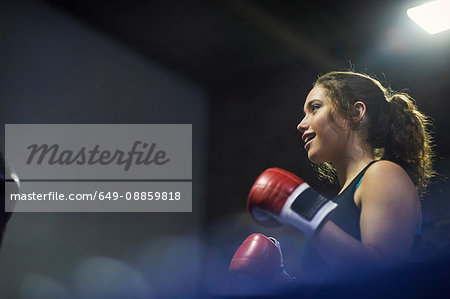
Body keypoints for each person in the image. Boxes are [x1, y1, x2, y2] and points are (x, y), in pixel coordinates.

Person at [233, 71, 435, 292]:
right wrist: (278, 280)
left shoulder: (382, 174)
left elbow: (385, 275)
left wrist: (304, 209)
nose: (302, 124)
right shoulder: (337, 204)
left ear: (356, 112)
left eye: (315, 108)